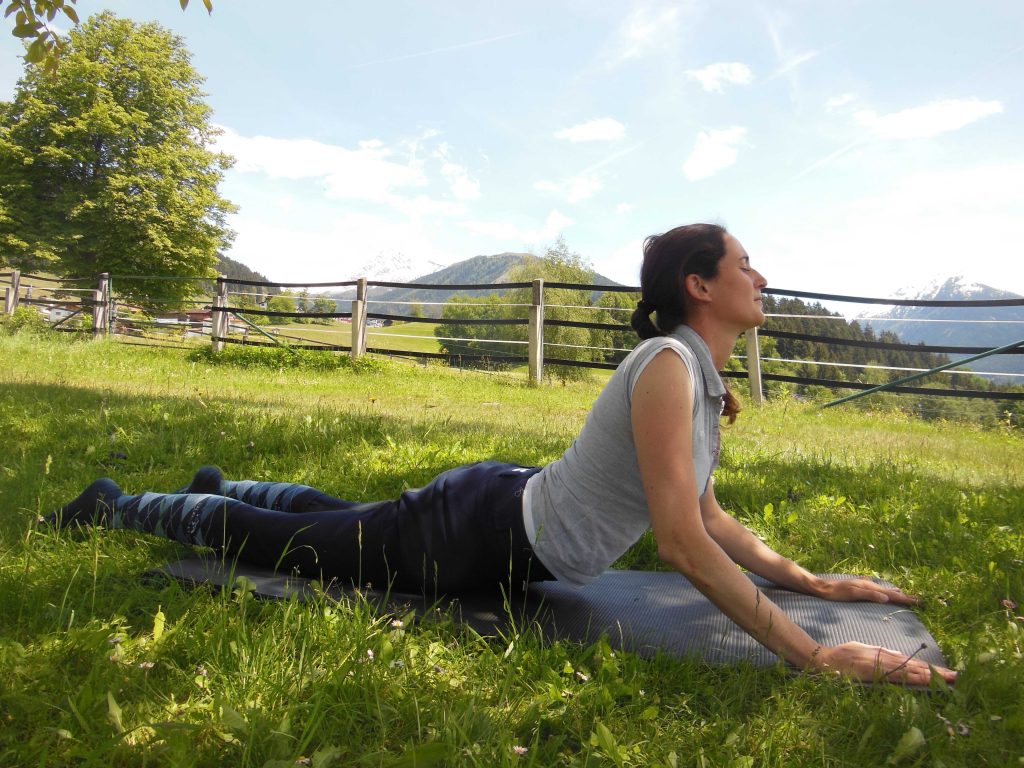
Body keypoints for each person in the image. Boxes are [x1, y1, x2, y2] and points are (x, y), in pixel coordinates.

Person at [48, 223, 957, 686]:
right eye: (746, 264)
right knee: (278, 546)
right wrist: (810, 655)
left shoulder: (696, 377)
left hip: (493, 515)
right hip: (475, 535)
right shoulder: (668, 368)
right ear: (701, 286)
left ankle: (227, 483)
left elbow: (709, 518)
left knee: (348, 526)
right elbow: (681, 546)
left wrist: (820, 583)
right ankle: (119, 505)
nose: (760, 276)